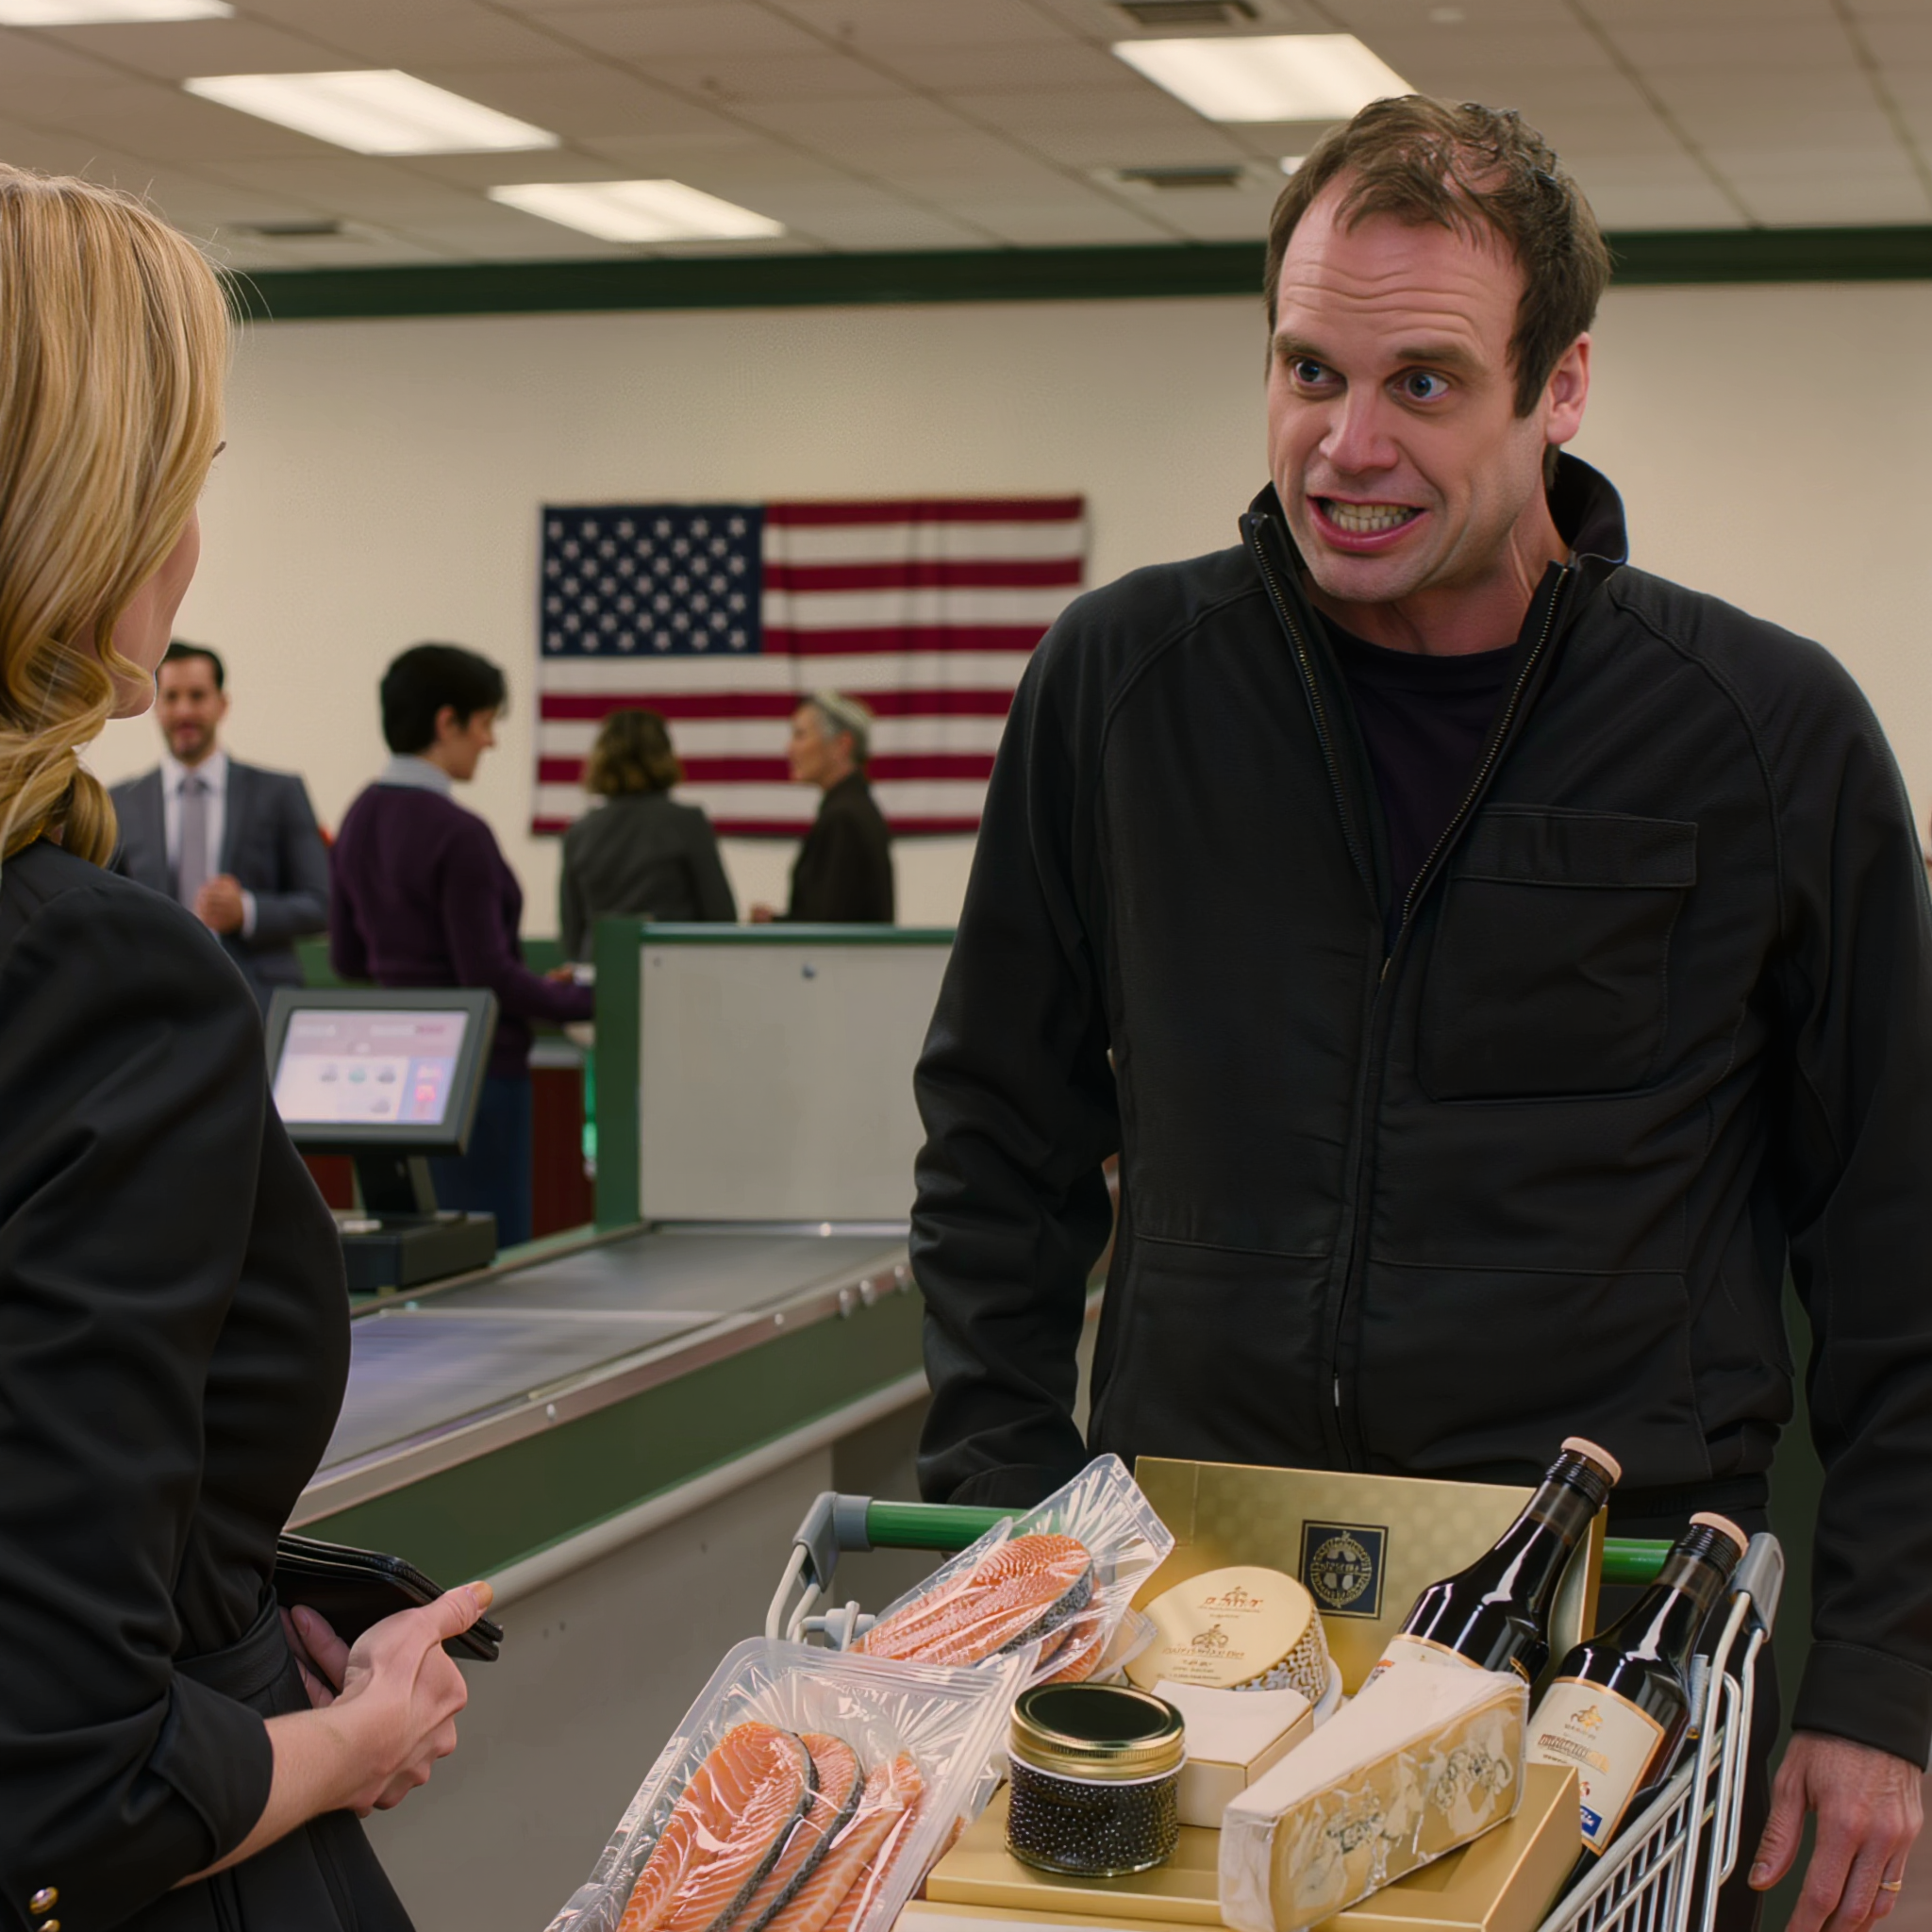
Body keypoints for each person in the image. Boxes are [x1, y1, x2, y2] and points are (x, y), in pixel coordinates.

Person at [910, 98, 1930, 1932]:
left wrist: (1880, 1676)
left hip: (1605, 1652)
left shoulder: (1758, 737)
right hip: (1193, 1622)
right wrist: (1013, 1538)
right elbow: (999, 1146)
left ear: (1561, 389)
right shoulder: (1121, 690)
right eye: (1308, 368)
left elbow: (1899, 1244)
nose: (1345, 443)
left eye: (1424, 384)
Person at [0, 166, 488, 1932]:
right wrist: (350, 1736)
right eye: (183, 489)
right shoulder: (95, 983)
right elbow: (69, 1793)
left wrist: (227, 1580)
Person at [329, 642, 594, 1247]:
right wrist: (586, 1000)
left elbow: (347, 958)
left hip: (392, 1083)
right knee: (486, 1261)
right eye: (485, 724)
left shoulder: (358, 819)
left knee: (407, 1258)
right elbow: (488, 975)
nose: (491, 742)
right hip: (478, 1081)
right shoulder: (460, 834)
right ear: (446, 722)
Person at [108, 640, 329, 1011]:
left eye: (197, 696)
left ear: (222, 704)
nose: (184, 711)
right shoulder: (119, 802)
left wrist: (247, 910)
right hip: (153, 1006)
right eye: (172, 697)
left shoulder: (279, 792)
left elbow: (323, 904)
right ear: (155, 707)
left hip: (257, 999)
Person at [559, 707, 736, 956]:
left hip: (602, 976)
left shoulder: (579, 833)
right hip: (674, 974)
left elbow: (572, 934)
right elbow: (721, 918)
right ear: (664, 757)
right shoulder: (687, 822)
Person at [749, 691, 894, 924]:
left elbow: (829, 928)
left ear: (842, 745)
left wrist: (777, 925)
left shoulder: (844, 818)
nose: (789, 748)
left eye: (800, 735)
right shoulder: (853, 808)